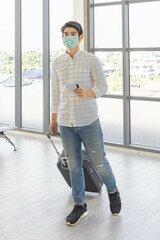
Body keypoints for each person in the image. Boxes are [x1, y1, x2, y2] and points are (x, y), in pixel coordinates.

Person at [49, 21, 121, 226]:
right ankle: (80, 206)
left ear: (80, 38)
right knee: (74, 166)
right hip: (65, 122)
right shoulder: (57, 63)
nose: (69, 36)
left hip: (88, 120)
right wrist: (53, 118)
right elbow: (56, 92)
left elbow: (103, 86)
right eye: (66, 33)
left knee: (100, 162)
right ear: (62, 37)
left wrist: (89, 93)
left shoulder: (91, 60)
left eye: (73, 33)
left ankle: (113, 191)